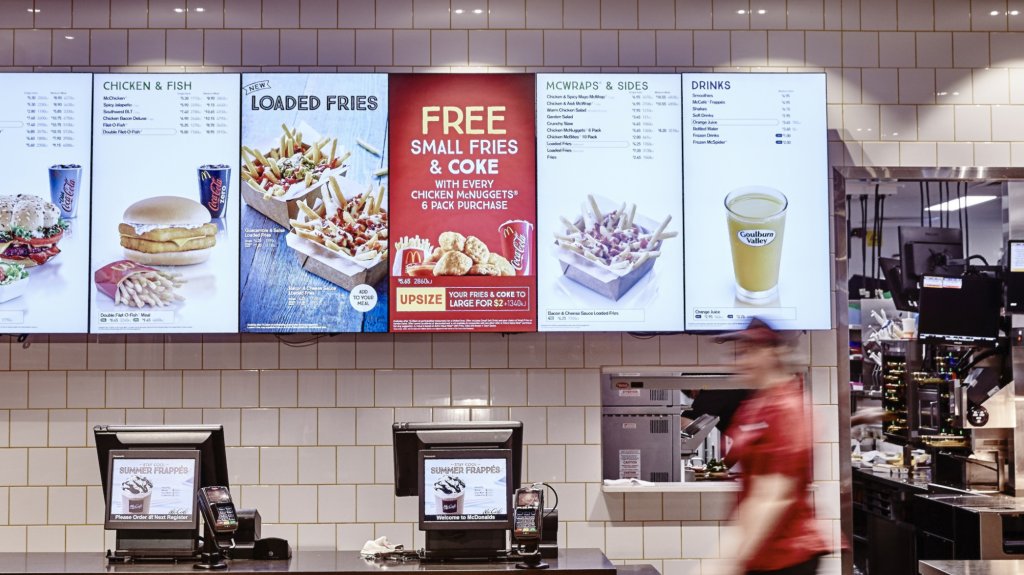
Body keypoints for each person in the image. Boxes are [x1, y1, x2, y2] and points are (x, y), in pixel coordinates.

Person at [711, 318, 831, 575]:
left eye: (749, 352)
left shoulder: (788, 407)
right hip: (761, 555)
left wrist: (724, 562)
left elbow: (774, 496)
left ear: (773, 353)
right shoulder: (754, 406)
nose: (740, 361)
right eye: (739, 353)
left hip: (788, 557)